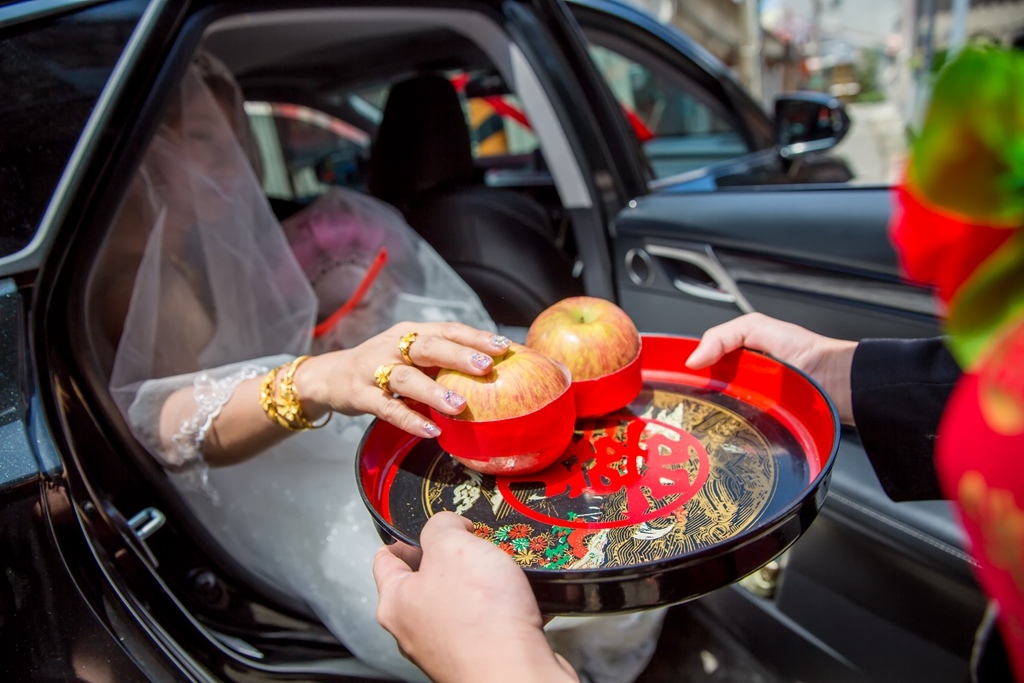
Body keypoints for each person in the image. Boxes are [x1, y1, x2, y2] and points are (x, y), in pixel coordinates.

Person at [94, 50, 665, 682]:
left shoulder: (218, 242)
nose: (231, 159)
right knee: (475, 546)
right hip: (252, 474)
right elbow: (167, 424)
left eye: (230, 134)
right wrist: (319, 376)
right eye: (203, 138)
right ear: (143, 152)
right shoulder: (130, 275)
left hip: (307, 425)